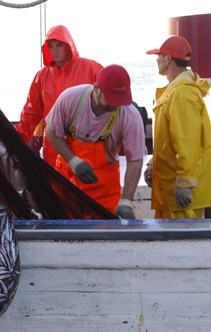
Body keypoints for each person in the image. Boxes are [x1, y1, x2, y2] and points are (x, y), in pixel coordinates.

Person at [45, 65, 145, 219]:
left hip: (104, 191)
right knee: (64, 227)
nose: (117, 104)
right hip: (67, 183)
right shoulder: (70, 99)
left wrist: (126, 200)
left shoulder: (130, 115)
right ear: (97, 88)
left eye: (121, 99)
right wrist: (73, 161)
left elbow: (135, 160)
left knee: (103, 233)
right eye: (112, 99)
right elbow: (52, 133)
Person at [144, 35, 211, 219]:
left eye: (159, 55)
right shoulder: (175, 90)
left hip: (181, 197)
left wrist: (184, 183)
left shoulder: (182, 94)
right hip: (169, 193)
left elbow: (188, 143)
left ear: (168, 59)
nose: (156, 59)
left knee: (181, 246)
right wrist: (152, 164)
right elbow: (168, 140)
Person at [15, 25, 103, 168]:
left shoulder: (92, 68)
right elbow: (31, 114)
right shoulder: (41, 76)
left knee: (86, 188)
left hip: (87, 150)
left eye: (59, 45)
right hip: (54, 152)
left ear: (69, 45)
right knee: (57, 189)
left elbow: (112, 104)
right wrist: (12, 139)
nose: (55, 51)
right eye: (51, 46)